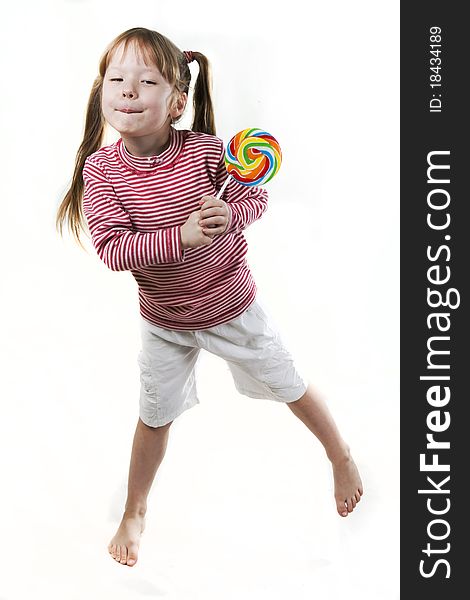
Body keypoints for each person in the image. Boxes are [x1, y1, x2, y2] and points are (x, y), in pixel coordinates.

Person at [56, 26, 363, 568]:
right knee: (153, 416)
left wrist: (233, 212)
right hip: (165, 322)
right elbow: (112, 248)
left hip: (232, 306)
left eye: (146, 80)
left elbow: (252, 192)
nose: (127, 90)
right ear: (102, 89)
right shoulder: (102, 171)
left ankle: (339, 454)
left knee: (288, 381)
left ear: (176, 100)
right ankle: (135, 509)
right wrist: (185, 235)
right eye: (116, 78)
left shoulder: (205, 150)